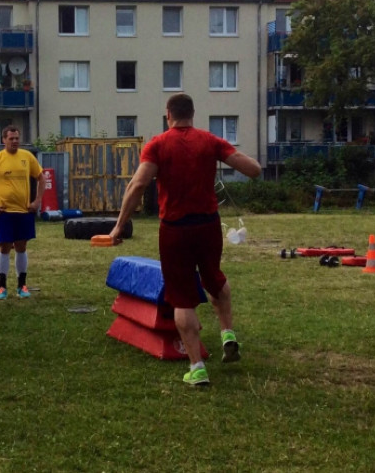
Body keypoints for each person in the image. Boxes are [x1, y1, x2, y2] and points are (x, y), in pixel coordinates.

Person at [109, 93, 262, 386]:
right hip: (208, 226)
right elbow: (253, 170)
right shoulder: (210, 141)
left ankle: (197, 367)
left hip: (175, 229)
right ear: (192, 113)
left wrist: (119, 226)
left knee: (181, 297)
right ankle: (227, 333)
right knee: (214, 277)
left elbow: (138, 184)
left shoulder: (157, 144)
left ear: (168, 115)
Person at [0, 125, 44, 300]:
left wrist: (37, 201)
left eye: (17, 138)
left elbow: (41, 178)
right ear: (3, 140)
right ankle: (2, 287)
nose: (14, 141)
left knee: (21, 247)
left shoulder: (27, 157)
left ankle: (22, 286)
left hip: (24, 211)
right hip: (4, 212)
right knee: (4, 247)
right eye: (11, 138)